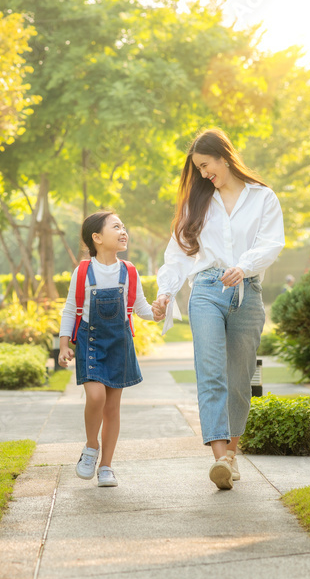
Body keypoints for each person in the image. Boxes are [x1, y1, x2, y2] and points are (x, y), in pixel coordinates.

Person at [152, 128, 284, 490]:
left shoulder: (263, 198)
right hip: (207, 290)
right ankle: (219, 459)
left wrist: (244, 265)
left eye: (206, 165)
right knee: (211, 374)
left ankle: (231, 455)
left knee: (240, 380)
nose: (204, 174)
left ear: (224, 157)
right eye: (198, 169)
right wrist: (166, 292)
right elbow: (178, 254)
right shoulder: (198, 202)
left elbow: (272, 244)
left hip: (247, 291)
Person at [57, 211, 154, 488]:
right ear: (97, 238)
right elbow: (68, 309)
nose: (123, 231)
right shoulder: (84, 271)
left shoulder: (130, 271)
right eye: (116, 227)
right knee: (96, 397)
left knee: (112, 408)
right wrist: (64, 344)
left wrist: (157, 311)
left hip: (120, 342)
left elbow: (141, 308)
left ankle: (106, 466)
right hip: (91, 341)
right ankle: (90, 446)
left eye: (123, 226)